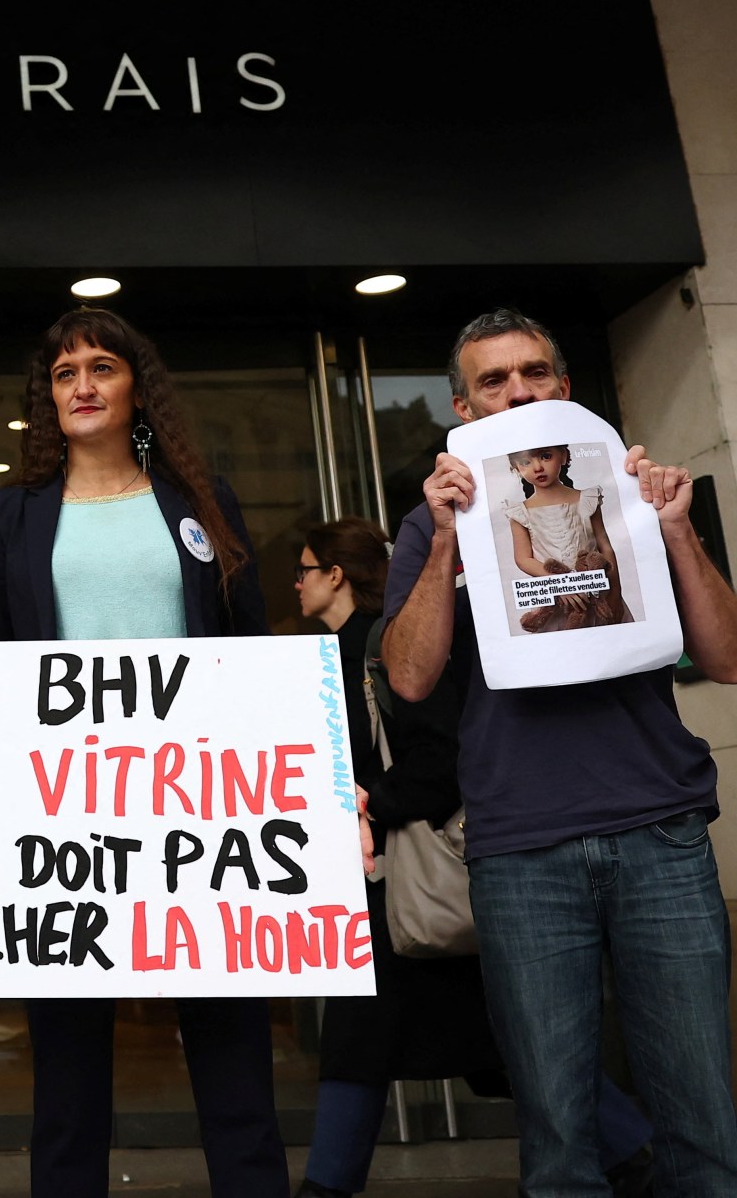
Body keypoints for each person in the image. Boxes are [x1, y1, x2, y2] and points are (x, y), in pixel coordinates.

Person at [0, 307, 289, 1198]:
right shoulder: (13, 513)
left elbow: (253, 656)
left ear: (137, 387)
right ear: (49, 398)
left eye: (102, 367)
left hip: (200, 811)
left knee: (235, 1072)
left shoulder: (200, 501)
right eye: (65, 374)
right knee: (66, 1090)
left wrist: (318, 785)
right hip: (62, 816)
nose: (84, 386)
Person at [381, 308, 737, 1195]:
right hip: (520, 845)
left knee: (703, 1124)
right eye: (493, 381)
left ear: (566, 389)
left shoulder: (636, 495)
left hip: (659, 828)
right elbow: (410, 679)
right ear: (464, 410)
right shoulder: (435, 524)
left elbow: (728, 658)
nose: (518, 392)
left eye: (534, 373)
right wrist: (446, 542)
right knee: (558, 1141)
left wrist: (677, 528)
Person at [293, 519, 655, 1198]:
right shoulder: (340, 652)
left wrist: (369, 804)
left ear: (334, 576)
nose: (295, 584)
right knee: (492, 1040)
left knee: (395, 1036)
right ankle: (633, 1152)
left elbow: (438, 758)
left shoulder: (378, 648)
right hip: (406, 882)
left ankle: (327, 1186)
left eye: (304, 569)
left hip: (408, 878)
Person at [504, 445, 628, 632]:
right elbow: (523, 559)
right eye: (525, 462)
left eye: (546, 456)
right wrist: (560, 584)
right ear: (516, 467)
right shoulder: (519, 512)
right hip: (557, 602)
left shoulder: (587, 499)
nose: (537, 467)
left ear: (563, 456)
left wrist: (616, 593)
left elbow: (605, 547)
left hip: (599, 596)